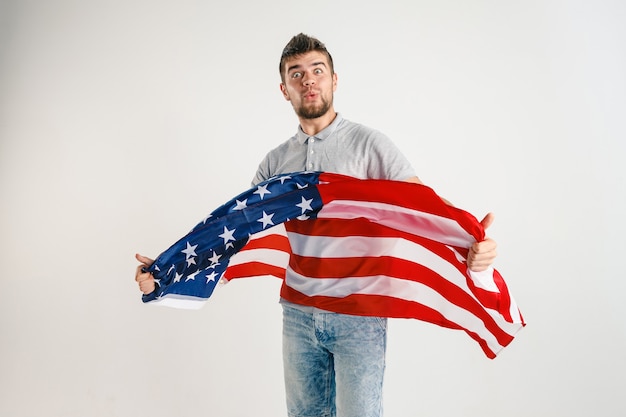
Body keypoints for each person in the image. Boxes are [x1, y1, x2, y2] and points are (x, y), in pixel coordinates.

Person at [135, 33, 497, 417]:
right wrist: (168, 270)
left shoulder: (368, 144)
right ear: (284, 89)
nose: (308, 80)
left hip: (360, 314)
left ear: (334, 80)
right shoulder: (275, 164)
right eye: (297, 74)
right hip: (298, 314)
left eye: (317, 71)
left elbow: (421, 201)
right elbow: (234, 235)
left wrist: (469, 237)